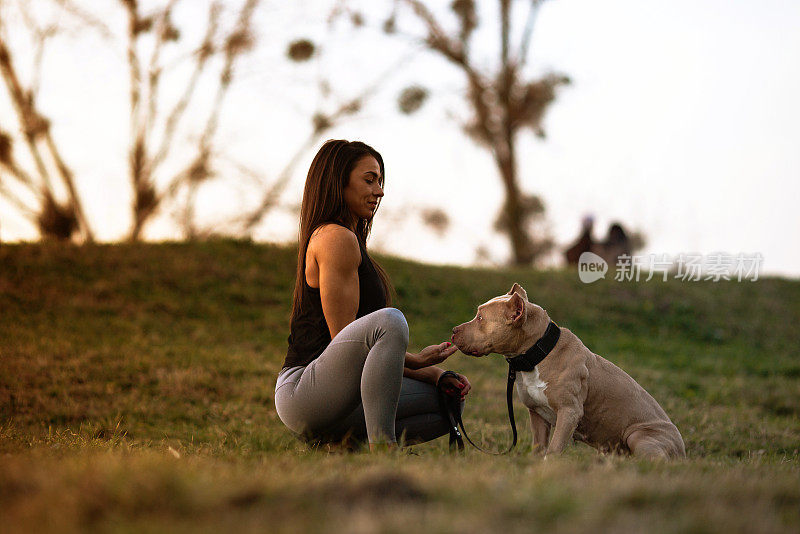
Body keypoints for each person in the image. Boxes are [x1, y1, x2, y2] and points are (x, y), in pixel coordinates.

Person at [274, 139, 470, 451]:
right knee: (391, 321)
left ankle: (340, 445)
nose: (379, 191)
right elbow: (347, 340)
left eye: (380, 181)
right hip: (305, 392)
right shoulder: (335, 238)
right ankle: (384, 448)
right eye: (369, 180)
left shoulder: (350, 240)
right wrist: (418, 361)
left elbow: (370, 357)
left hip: (339, 392)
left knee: (449, 401)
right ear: (338, 182)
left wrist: (436, 374)